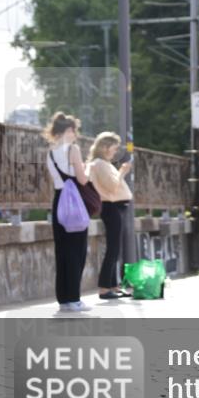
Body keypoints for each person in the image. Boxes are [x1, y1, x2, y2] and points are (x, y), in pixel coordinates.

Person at [43, 112, 91, 313]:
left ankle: (63, 299)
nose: (75, 135)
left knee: (62, 251)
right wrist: (88, 169)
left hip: (59, 203)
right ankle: (74, 299)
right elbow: (82, 179)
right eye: (74, 131)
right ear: (69, 130)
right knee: (77, 251)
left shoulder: (50, 152)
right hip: (74, 203)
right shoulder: (73, 149)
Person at [87, 131, 133, 300]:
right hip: (111, 207)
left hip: (113, 207)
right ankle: (105, 288)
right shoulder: (100, 164)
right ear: (105, 147)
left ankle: (112, 286)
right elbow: (112, 186)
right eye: (114, 148)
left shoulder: (102, 163)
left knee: (115, 248)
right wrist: (123, 171)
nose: (115, 152)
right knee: (113, 248)